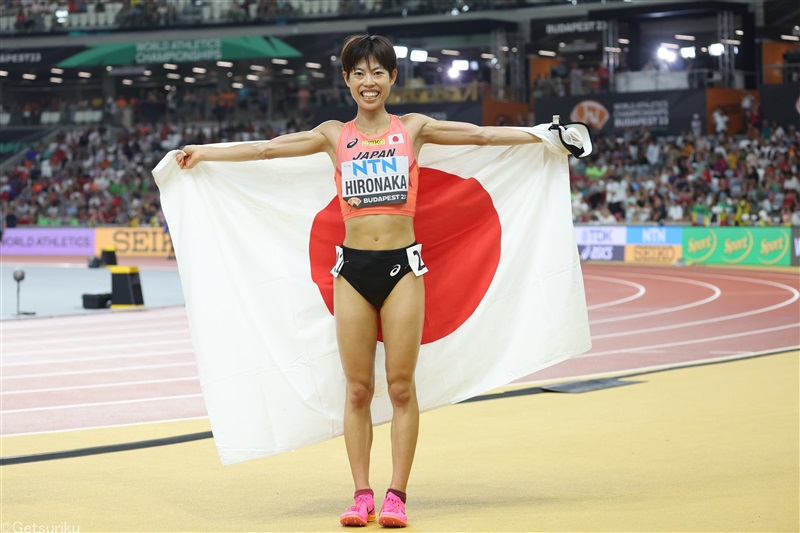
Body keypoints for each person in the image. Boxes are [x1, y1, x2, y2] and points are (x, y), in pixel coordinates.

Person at [177, 34, 580, 529]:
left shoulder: (413, 128)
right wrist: (206, 152)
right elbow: (266, 149)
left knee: (403, 387)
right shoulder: (332, 135)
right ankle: (361, 494)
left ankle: (397, 496)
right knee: (357, 390)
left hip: (402, 269)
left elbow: (481, 136)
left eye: (378, 73)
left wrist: (545, 136)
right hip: (351, 271)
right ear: (346, 80)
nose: (369, 82)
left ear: (392, 79)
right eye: (359, 73)